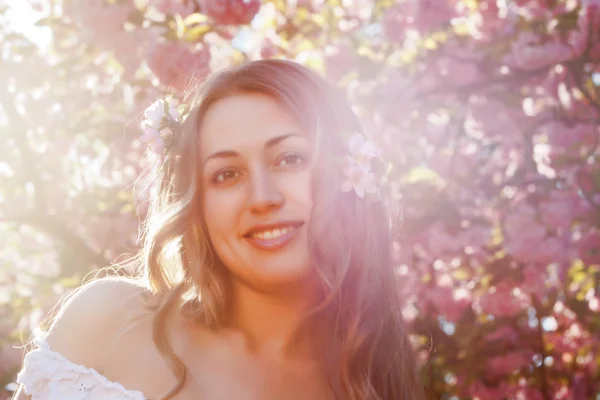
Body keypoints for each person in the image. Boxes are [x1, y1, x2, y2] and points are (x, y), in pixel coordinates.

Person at [13, 59, 425, 400]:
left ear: (349, 173)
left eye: (289, 159)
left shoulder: (369, 386)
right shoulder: (106, 322)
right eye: (227, 174)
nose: (262, 197)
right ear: (198, 207)